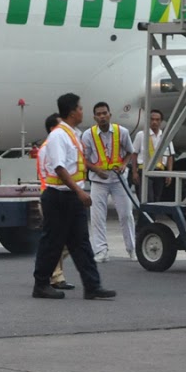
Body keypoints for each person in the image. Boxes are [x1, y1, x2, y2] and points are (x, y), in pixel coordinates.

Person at [32, 92, 114, 300]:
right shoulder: (59, 135)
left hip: (71, 196)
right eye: (79, 108)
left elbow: (73, 164)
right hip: (59, 196)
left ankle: (92, 286)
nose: (82, 111)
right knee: (52, 242)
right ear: (71, 112)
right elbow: (60, 167)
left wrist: (92, 172)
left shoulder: (73, 133)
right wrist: (80, 192)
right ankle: (41, 284)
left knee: (81, 243)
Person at [81, 101, 136, 261]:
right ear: (94, 117)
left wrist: (124, 165)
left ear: (110, 115)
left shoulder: (122, 132)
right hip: (98, 181)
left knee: (126, 214)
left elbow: (130, 152)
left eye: (104, 113)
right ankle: (101, 251)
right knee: (97, 216)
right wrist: (97, 170)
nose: (102, 116)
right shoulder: (88, 135)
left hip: (119, 180)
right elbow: (83, 159)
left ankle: (132, 249)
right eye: (99, 114)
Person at [34, 114, 75, 292]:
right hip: (51, 196)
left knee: (64, 239)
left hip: (58, 196)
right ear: (53, 129)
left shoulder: (55, 146)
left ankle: (54, 273)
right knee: (58, 239)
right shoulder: (47, 149)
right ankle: (54, 276)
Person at [133, 108, 175, 202]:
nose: (154, 122)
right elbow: (134, 154)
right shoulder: (141, 135)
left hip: (159, 172)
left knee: (156, 200)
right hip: (144, 171)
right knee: (147, 199)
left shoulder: (165, 136)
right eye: (152, 119)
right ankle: (146, 217)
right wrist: (134, 172)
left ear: (161, 121)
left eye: (157, 120)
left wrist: (169, 174)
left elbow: (170, 156)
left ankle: (151, 217)